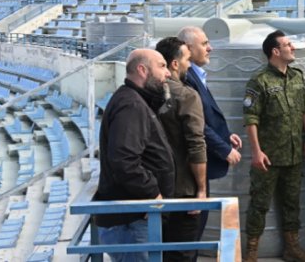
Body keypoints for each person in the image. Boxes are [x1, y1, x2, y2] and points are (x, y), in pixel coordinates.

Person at [94, 49, 174, 262]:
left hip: (134, 218)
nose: (168, 73)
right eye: (162, 66)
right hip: (131, 221)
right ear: (142, 69)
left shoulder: (135, 100)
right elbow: (124, 159)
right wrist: (152, 193)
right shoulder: (131, 104)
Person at [242, 30, 305, 262]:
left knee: (292, 203)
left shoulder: (297, 76)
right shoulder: (259, 80)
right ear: (275, 51)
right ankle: (251, 252)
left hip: (294, 153)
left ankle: (292, 248)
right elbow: (251, 118)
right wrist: (256, 151)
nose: (293, 48)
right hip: (269, 157)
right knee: (259, 204)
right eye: (288, 44)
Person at [177, 26, 242, 251]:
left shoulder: (197, 75)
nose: (210, 48)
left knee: (196, 231)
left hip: (199, 164)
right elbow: (196, 125)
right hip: (191, 167)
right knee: (190, 236)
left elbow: (205, 114)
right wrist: (224, 149)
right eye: (204, 44)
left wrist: (226, 136)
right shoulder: (186, 78)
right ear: (187, 48)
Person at [155, 37, 207, 262]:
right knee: (182, 253)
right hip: (182, 190)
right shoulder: (186, 95)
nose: (189, 64)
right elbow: (196, 143)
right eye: (186, 59)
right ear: (174, 64)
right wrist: (202, 189)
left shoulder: (145, 93)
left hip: (153, 190)